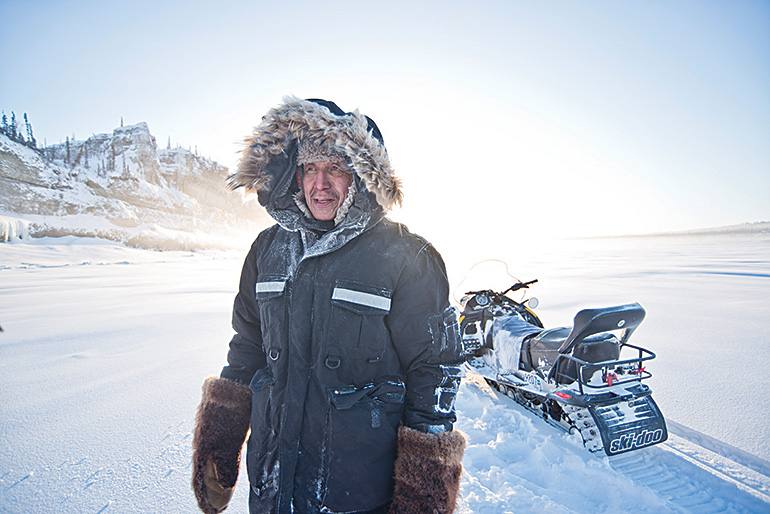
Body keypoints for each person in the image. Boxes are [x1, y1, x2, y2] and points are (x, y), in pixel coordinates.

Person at [192, 97, 466, 514]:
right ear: (293, 175)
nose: (321, 183)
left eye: (335, 168)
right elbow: (248, 345)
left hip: (357, 494)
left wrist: (423, 494)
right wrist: (220, 436)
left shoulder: (407, 257)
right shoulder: (267, 249)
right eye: (310, 169)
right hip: (272, 485)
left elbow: (435, 372)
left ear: (360, 176)